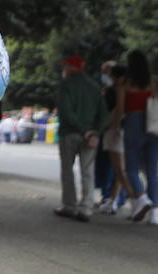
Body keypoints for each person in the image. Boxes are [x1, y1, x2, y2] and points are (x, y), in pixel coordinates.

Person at [54, 55, 107, 222]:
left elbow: (66, 112)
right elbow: (103, 114)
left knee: (67, 171)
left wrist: (84, 130)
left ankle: (70, 205)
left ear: (71, 69)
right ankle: (86, 208)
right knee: (87, 172)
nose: (64, 70)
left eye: (66, 67)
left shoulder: (65, 85)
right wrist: (94, 132)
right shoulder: (94, 87)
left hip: (69, 133)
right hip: (90, 135)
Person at [114, 49, 158, 223]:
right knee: (152, 170)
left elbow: (120, 108)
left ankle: (141, 197)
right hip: (153, 125)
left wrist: (116, 127)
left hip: (133, 122)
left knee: (131, 168)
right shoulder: (153, 81)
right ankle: (155, 212)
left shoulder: (125, 83)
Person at [98, 62, 131, 214]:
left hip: (116, 129)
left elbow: (118, 108)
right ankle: (115, 198)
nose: (107, 76)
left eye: (109, 73)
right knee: (121, 168)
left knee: (118, 168)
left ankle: (134, 197)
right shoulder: (135, 88)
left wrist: (115, 127)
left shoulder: (118, 89)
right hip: (128, 129)